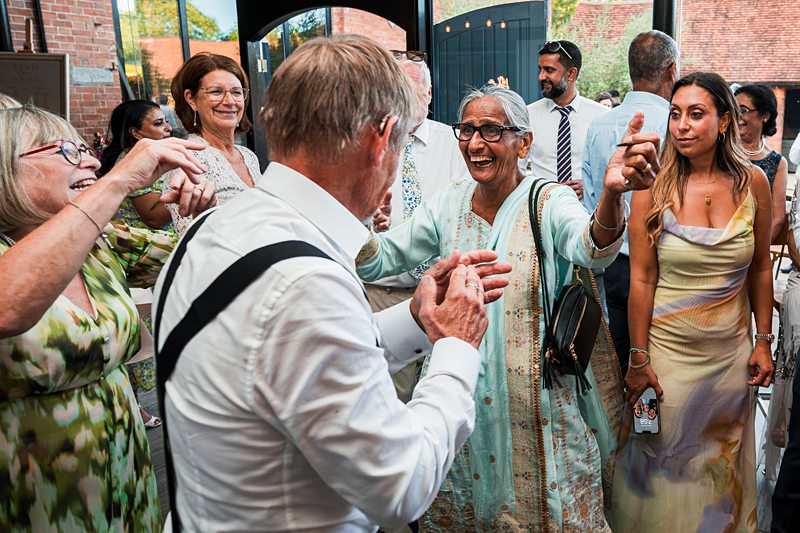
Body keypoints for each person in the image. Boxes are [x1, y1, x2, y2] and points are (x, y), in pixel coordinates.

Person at [154, 35, 513, 531]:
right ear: (382, 139)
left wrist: (417, 317)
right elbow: (402, 486)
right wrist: (456, 346)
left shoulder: (216, 226)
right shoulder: (304, 283)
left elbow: (307, 363)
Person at [358, 84, 658, 530]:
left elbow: (591, 248)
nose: (475, 143)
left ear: (524, 142)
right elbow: (379, 259)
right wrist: (361, 214)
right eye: (467, 130)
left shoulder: (548, 200)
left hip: (538, 409)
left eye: (492, 130)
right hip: (461, 397)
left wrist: (612, 197)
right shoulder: (450, 203)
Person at [0, 104, 215, 530]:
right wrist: (119, 180)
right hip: (33, 497)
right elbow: (9, 307)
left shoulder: (98, 240)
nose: (92, 162)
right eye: (67, 151)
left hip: (129, 478)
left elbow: (201, 257)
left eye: (86, 149)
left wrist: (195, 210)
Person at [612, 72, 774, 531]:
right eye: (675, 114)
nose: (682, 125)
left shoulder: (753, 183)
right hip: (667, 361)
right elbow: (642, 278)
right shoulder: (652, 186)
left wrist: (763, 340)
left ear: (724, 121)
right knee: (664, 468)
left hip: (728, 364)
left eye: (696, 114)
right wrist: (639, 357)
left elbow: (761, 268)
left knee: (716, 471)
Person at [364, 55, 471, 403]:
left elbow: (466, 206)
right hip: (383, 290)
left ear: (429, 93)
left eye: (412, 90)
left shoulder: (455, 143)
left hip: (439, 290)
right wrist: (369, 221)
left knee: (441, 384)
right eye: (396, 91)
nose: (405, 99)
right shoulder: (369, 142)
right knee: (390, 395)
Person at [582, 30, 678, 371]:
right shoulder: (677, 127)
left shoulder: (598, 125)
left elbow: (592, 200)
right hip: (665, 261)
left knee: (620, 358)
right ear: (671, 70)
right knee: (664, 358)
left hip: (613, 261)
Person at [99, 99, 179, 429]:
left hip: (151, 257)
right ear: (135, 133)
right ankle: (135, 408)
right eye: (158, 123)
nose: (167, 127)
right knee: (137, 341)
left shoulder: (155, 156)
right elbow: (154, 217)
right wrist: (188, 194)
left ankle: (136, 406)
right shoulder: (131, 163)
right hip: (136, 259)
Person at [163, 52, 261, 235]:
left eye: (236, 92)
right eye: (216, 91)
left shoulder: (247, 156)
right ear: (191, 99)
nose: (230, 101)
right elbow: (190, 239)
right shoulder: (186, 159)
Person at [528, 40, 608, 201]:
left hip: (585, 210)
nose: (541, 77)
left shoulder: (601, 117)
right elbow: (517, 170)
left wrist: (590, 186)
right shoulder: (528, 115)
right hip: (541, 209)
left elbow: (611, 167)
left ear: (571, 74)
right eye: (540, 69)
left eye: (549, 70)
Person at [735, 83, 789, 242]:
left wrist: (757, 251)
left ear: (765, 115)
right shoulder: (720, 152)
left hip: (753, 244)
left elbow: (777, 218)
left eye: (743, 110)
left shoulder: (777, 163)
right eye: (734, 110)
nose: (737, 116)